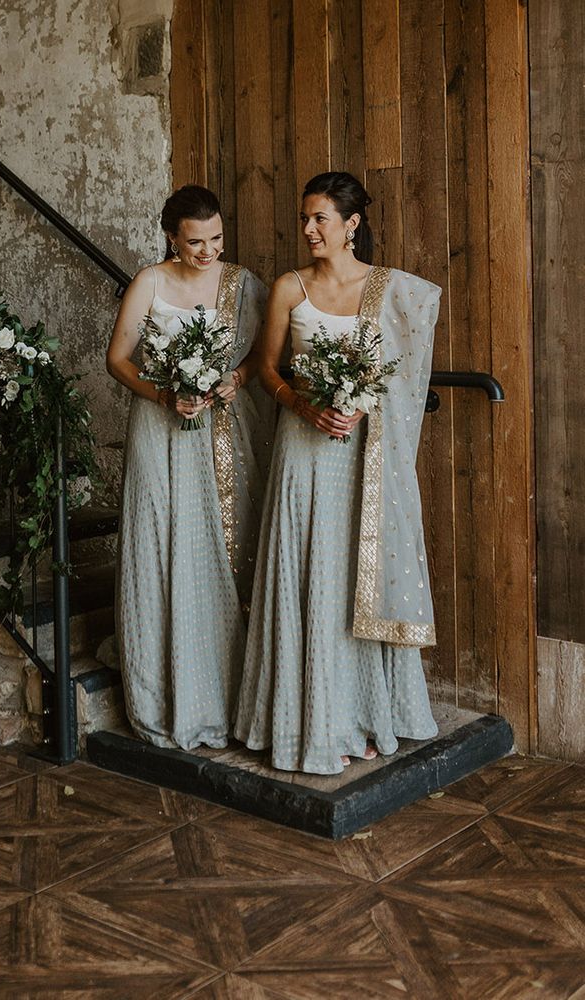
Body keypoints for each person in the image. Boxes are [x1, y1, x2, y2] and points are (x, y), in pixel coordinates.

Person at [233, 171, 439, 774]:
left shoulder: (390, 290)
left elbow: (403, 375)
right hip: (303, 451)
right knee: (310, 580)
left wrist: (359, 403)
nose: (308, 229)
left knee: (355, 579)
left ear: (352, 225)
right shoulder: (289, 288)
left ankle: (366, 713)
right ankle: (311, 721)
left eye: (319, 218)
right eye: (304, 218)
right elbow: (267, 370)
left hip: (364, 459)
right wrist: (303, 402)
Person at [106, 185, 273, 750]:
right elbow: (117, 359)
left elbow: (262, 355)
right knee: (162, 548)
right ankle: (168, 695)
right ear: (172, 237)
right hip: (160, 430)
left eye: (217, 238)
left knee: (226, 548)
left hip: (224, 432)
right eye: (196, 241)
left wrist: (236, 379)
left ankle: (232, 695)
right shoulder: (149, 282)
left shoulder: (242, 283)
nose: (209, 251)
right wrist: (162, 395)